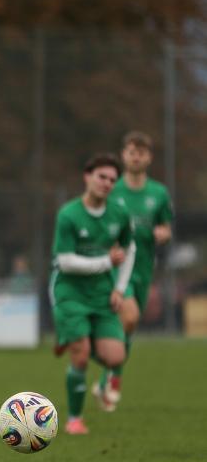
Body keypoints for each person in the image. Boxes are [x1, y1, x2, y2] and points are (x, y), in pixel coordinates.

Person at [50, 153, 135, 435]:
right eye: (102, 176)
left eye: (112, 179)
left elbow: (129, 249)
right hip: (71, 292)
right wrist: (105, 263)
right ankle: (74, 419)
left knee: (115, 358)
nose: (107, 183)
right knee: (82, 355)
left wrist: (120, 288)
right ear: (87, 176)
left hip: (101, 294)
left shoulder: (119, 213)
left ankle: (74, 341)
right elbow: (64, 261)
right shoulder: (69, 214)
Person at [91, 132, 172, 411]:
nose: (135, 156)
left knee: (130, 326)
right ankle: (110, 374)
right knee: (130, 314)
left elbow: (166, 226)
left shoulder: (159, 193)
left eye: (141, 152)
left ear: (148, 158)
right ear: (124, 155)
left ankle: (109, 377)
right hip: (116, 266)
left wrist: (163, 233)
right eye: (131, 151)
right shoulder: (113, 190)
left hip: (144, 267)